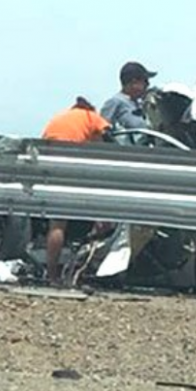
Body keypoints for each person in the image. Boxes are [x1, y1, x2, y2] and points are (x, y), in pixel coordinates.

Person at [41, 96, 112, 286]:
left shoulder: (60, 118)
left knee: (56, 225)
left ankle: (51, 274)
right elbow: (106, 147)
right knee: (64, 222)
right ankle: (59, 275)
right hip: (70, 165)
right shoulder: (92, 117)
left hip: (50, 166)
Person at [101, 61, 158, 130]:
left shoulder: (140, 104)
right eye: (145, 81)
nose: (148, 84)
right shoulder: (115, 102)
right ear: (134, 82)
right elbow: (101, 129)